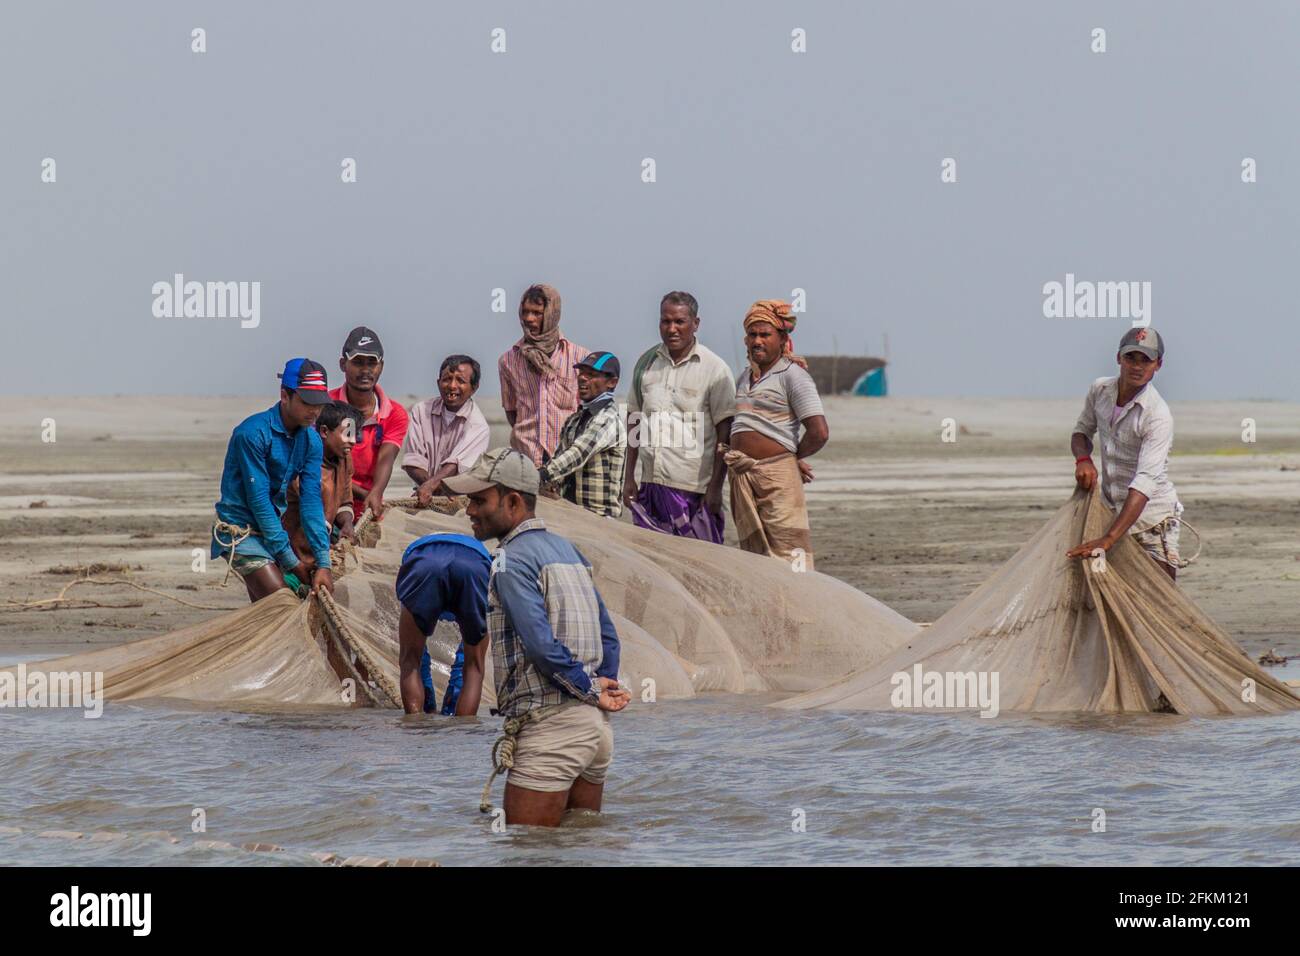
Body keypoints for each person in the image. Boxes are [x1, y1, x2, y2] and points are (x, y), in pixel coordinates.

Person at [444, 448, 631, 827]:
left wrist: (591, 689)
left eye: (480, 500)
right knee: (579, 843)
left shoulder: (509, 559)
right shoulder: (567, 550)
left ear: (512, 501)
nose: (470, 510)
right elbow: (608, 635)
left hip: (552, 730)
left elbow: (541, 644)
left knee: (526, 851)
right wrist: (600, 686)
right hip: (595, 733)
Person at [210, 359, 335, 602]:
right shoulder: (252, 434)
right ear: (285, 396)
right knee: (282, 605)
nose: (315, 411)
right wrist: (291, 562)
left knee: (266, 613)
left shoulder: (311, 440)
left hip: (273, 533)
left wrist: (323, 562)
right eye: (307, 402)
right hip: (241, 533)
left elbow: (311, 502)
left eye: (319, 404)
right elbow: (259, 501)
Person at [1066, 327, 1182, 580]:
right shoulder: (1100, 390)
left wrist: (1109, 539)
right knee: (1106, 594)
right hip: (1111, 512)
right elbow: (1081, 432)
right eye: (1131, 358)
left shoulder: (1157, 415)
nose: (1137, 367)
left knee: (1161, 600)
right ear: (1119, 358)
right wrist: (1083, 460)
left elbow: (1144, 482)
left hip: (1152, 522)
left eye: (1146, 360)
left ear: (1158, 365)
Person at [622, 291, 736, 543]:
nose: (672, 329)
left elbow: (725, 432)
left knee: (700, 567)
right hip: (651, 486)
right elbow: (634, 419)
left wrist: (715, 488)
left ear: (695, 324)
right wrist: (629, 476)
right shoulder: (646, 363)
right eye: (665, 321)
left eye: (680, 322)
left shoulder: (715, 369)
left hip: (694, 493)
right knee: (653, 565)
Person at [722, 300, 829, 568]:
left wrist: (790, 458)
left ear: (782, 339)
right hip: (743, 478)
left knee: (789, 554)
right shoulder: (745, 377)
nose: (757, 341)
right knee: (756, 558)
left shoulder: (793, 376)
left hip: (777, 480)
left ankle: (802, 608)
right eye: (752, 335)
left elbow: (819, 432)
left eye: (764, 335)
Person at [395, 532, 492, 716]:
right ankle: (463, 734)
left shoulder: (415, 555)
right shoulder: (480, 555)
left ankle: (415, 729)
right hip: (473, 564)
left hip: (424, 563)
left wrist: (427, 707)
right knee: (474, 667)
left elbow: (416, 656)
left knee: (410, 660)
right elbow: (468, 658)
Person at [498, 284, 590, 466]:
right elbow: (511, 412)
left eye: (537, 313)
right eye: (525, 312)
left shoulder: (580, 358)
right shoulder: (508, 361)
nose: (529, 319)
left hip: (567, 459)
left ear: (552, 314)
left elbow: (586, 409)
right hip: (525, 459)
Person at [328, 326, 408, 522]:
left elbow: (386, 460)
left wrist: (376, 493)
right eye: (358, 362)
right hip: (326, 505)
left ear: (381, 366)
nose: (365, 370)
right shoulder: (325, 407)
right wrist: (367, 495)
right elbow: (323, 467)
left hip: (368, 510)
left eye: (372, 363)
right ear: (342, 364)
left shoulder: (395, 414)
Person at [282, 400, 361, 586]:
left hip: (321, 548)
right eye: (347, 434)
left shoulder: (345, 459)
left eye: (355, 434)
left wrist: (347, 524)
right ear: (324, 432)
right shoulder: (302, 464)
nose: (353, 441)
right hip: (292, 553)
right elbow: (312, 514)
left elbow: (345, 502)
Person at [539, 351, 626, 518]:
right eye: (582, 373)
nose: (583, 378)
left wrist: (543, 474)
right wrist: (550, 481)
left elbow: (577, 454)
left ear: (612, 382)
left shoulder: (608, 419)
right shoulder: (574, 420)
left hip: (598, 518)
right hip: (570, 513)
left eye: (592, 375)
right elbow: (560, 457)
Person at [401, 354, 491, 506]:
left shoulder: (478, 425)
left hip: (459, 502)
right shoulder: (421, 411)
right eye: (447, 379)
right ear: (438, 382)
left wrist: (429, 487)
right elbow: (413, 461)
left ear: (474, 387)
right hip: (424, 495)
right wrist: (430, 489)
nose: (452, 386)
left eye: (461, 381)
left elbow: (456, 465)